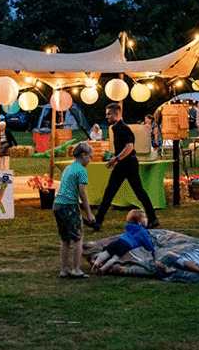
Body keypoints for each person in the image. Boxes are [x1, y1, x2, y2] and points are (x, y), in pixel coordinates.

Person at [92, 103, 158, 230]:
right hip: (122, 163)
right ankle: (98, 221)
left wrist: (116, 158)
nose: (107, 117)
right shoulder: (115, 129)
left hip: (129, 164)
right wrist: (117, 160)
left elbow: (130, 147)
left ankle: (153, 218)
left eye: (109, 114)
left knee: (139, 192)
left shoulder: (124, 128)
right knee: (110, 191)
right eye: (106, 114)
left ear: (117, 114)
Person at [53, 141, 96, 279]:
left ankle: (63, 270)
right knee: (78, 237)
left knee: (65, 239)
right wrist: (89, 213)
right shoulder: (82, 170)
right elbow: (82, 193)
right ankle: (76, 269)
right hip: (69, 205)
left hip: (58, 204)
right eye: (90, 156)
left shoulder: (68, 168)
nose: (91, 159)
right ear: (83, 155)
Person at [91, 209, 155, 273]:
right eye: (145, 218)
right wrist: (153, 250)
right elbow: (147, 243)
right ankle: (102, 269)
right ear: (140, 221)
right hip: (126, 245)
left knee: (107, 252)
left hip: (118, 241)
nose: (147, 220)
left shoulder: (129, 226)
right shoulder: (142, 231)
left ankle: (96, 263)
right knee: (115, 258)